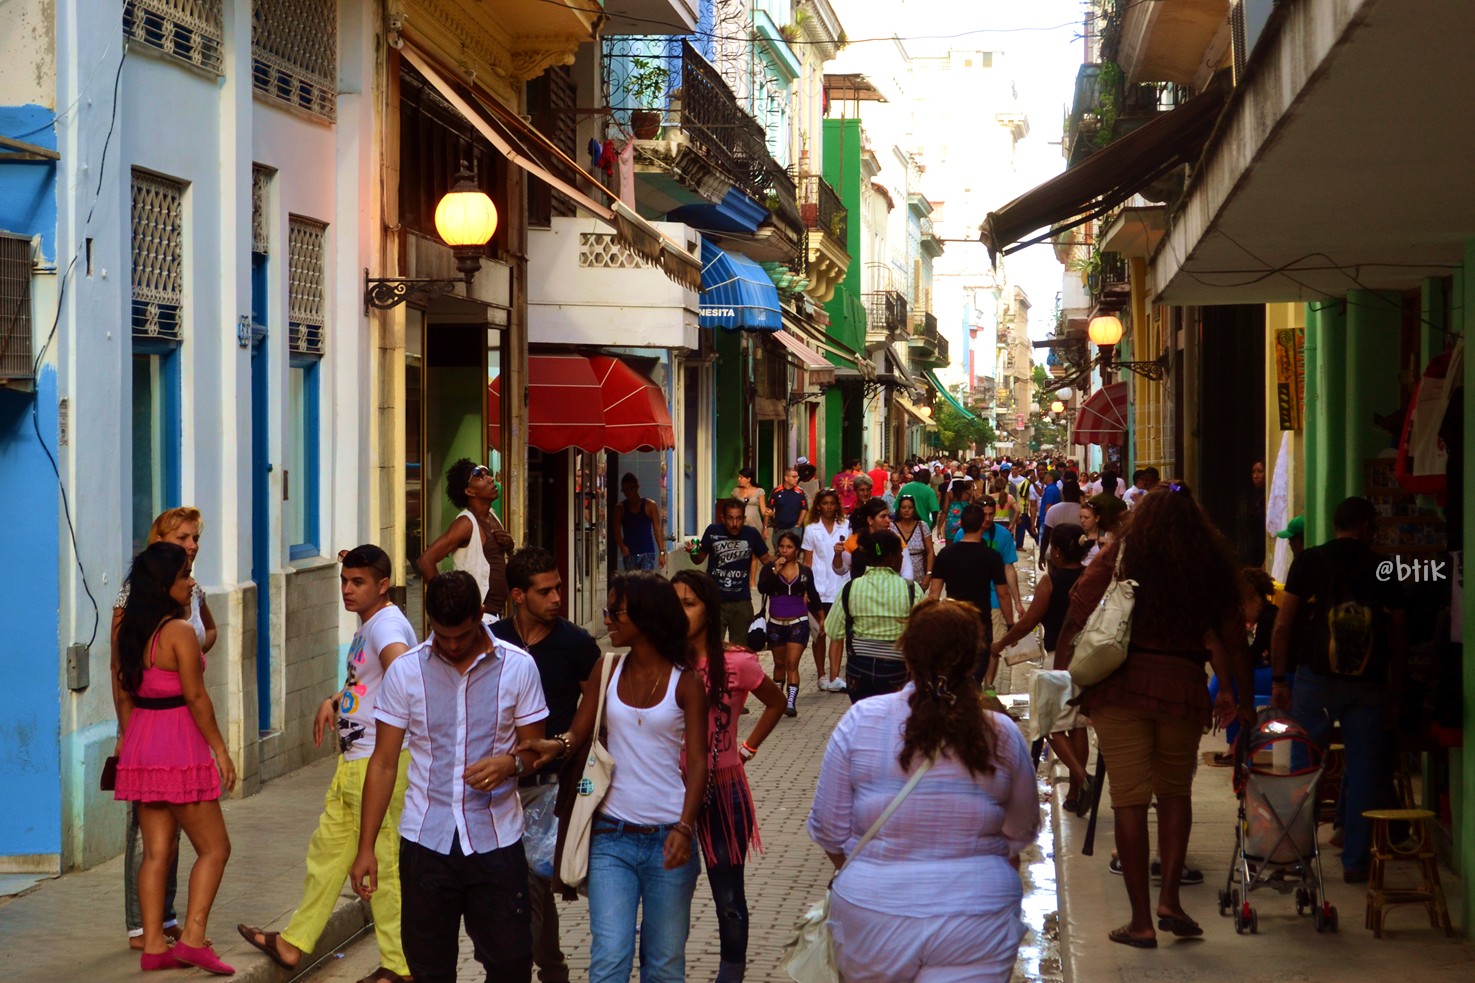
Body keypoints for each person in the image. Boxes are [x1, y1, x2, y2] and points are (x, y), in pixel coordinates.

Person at [1056, 488, 1253, 948]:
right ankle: (1170, 900)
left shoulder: (1124, 555)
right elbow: (1234, 637)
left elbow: (1079, 606)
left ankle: (1141, 921)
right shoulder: (1209, 565)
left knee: (1128, 800)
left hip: (1123, 688)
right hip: (1182, 689)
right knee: (1174, 793)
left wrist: (1067, 674)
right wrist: (1244, 698)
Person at [807, 599, 1039, 982]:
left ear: (907, 656)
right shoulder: (1002, 734)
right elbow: (1021, 832)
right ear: (973, 660)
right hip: (978, 917)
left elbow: (828, 830)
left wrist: (874, 872)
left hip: (872, 916)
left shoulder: (861, 720)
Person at [351, 570, 549, 983]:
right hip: (426, 843)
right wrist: (365, 847)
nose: (454, 645)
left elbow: (535, 750)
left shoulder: (518, 667)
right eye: (444, 636)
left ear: (480, 617)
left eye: (462, 635)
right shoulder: (405, 672)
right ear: (429, 622)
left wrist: (510, 764)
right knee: (428, 969)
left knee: (511, 963)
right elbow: (383, 762)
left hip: (497, 840)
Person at [519, 572, 710, 983]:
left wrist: (685, 827)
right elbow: (577, 734)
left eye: (615, 611)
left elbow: (698, 763)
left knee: (664, 964)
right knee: (609, 957)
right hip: (610, 836)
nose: (606, 619)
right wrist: (555, 745)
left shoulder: (687, 682)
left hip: (669, 837)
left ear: (645, 617)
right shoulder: (606, 669)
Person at [237, 546, 417, 980]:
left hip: (377, 765)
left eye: (358, 582)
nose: (348, 590)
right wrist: (336, 700)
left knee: (383, 867)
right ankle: (294, 943)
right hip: (354, 764)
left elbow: (402, 673)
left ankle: (399, 967)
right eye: (345, 581)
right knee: (328, 855)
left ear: (383, 585)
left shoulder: (386, 625)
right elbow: (369, 681)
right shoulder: (371, 623)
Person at [113, 542, 236, 974]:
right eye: (184, 575)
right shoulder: (179, 632)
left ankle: (152, 946)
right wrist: (220, 749)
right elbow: (197, 698)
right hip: (178, 744)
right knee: (215, 848)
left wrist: (129, 742)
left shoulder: (130, 632)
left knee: (156, 853)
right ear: (164, 584)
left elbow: (123, 695)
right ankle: (193, 939)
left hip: (142, 743)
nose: (190, 582)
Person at [1270, 496, 1407, 882]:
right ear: (1366, 527)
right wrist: (1395, 692)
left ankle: (1299, 855)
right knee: (1364, 773)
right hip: (1368, 685)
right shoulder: (1383, 567)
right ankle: (1356, 862)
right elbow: (1399, 635)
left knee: (1305, 768)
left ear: (1335, 525)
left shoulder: (1309, 561)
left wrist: (1279, 679)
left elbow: (1282, 626)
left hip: (1315, 680)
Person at [490, 548, 601, 983]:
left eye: (558, 588)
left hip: (552, 787)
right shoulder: (493, 640)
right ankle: (549, 966)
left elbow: (598, 710)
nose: (557, 598)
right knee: (516, 887)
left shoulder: (576, 643)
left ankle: (542, 968)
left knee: (531, 883)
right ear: (518, 595)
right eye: (545, 591)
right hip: (498, 786)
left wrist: (566, 744)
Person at [671, 571, 785, 983]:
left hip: (724, 789)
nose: (680, 613)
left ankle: (730, 975)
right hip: (669, 791)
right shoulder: (663, 663)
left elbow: (775, 702)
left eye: (689, 604)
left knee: (729, 897)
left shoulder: (738, 661)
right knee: (668, 895)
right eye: (674, 604)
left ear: (709, 610)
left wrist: (747, 748)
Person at [991, 524, 1092, 812]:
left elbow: (1028, 622)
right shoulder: (1091, 577)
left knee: (1049, 725)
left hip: (1058, 660)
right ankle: (1073, 794)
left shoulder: (1051, 582)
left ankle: (1084, 779)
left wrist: (1001, 643)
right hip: (1087, 660)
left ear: (1057, 551)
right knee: (1078, 725)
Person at [825, 530, 919, 704]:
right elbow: (924, 633)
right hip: (897, 669)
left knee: (864, 713)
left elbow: (833, 630)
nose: (902, 559)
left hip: (858, 670)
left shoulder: (850, 588)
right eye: (900, 554)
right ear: (891, 557)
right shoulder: (911, 589)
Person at [417, 458, 515, 620]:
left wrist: (509, 545)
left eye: (487, 474)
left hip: (494, 614)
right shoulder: (466, 523)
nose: (491, 479)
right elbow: (425, 561)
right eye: (481, 477)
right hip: (476, 616)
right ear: (470, 491)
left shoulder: (491, 516)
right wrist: (446, 601)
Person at [928, 505, 1013, 686]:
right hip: (980, 622)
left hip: (953, 621)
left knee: (953, 673)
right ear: (982, 524)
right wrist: (1010, 623)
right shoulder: (992, 557)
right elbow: (1003, 594)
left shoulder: (945, 554)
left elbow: (934, 593)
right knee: (975, 677)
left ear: (961, 524)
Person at [1207, 567, 1279, 766]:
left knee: (1232, 680)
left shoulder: (1269, 619)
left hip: (1282, 677)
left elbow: (1251, 656)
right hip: (1275, 673)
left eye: (1242, 606)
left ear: (1255, 600)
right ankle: (1231, 741)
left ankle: (1209, 713)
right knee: (1230, 679)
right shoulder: (1267, 616)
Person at [689, 499, 775, 645]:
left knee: (740, 649)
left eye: (738, 518)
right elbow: (698, 559)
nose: (734, 523)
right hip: (715, 600)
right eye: (730, 518)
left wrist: (784, 560)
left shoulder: (751, 534)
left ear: (744, 519)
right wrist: (693, 552)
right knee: (712, 646)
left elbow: (766, 559)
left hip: (741, 601)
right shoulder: (713, 531)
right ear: (723, 518)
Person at [756, 531, 824, 716]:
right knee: (779, 663)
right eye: (782, 546)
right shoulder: (769, 568)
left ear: (797, 550)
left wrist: (821, 618)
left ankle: (791, 703)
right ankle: (778, 701)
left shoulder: (805, 571)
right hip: (775, 623)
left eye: (789, 547)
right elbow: (762, 588)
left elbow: (814, 595)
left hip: (798, 622)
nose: (785, 550)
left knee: (792, 663)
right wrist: (774, 571)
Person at [801, 489, 851, 693]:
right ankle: (821, 675)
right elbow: (807, 561)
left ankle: (835, 677)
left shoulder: (846, 526)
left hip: (840, 584)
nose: (829, 507)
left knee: (838, 633)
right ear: (818, 506)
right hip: (818, 587)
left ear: (837, 505)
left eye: (832, 503)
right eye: (825, 503)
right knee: (819, 633)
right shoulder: (811, 529)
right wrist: (805, 589)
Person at [835, 498, 915, 581]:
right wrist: (837, 555)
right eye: (883, 516)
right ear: (870, 520)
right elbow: (840, 570)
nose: (888, 520)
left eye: (888, 516)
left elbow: (907, 571)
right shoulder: (854, 540)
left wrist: (905, 587)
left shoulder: (896, 540)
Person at [614, 473, 665, 572]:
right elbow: (616, 529)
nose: (628, 493)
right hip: (630, 552)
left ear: (637, 487)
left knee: (646, 580)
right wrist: (622, 546)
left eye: (630, 489)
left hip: (647, 552)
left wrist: (662, 552)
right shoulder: (620, 508)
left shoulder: (650, 505)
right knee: (631, 580)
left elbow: (657, 529)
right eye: (625, 491)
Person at [892, 495, 934, 587]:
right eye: (903, 507)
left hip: (919, 579)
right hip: (896, 579)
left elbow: (930, 552)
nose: (906, 510)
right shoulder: (891, 527)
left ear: (914, 509)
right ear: (899, 509)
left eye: (910, 507)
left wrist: (929, 574)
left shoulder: (922, 526)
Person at [765, 468, 809, 555]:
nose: (796, 479)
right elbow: (769, 509)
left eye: (797, 477)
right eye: (794, 477)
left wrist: (798, 524)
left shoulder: (800, 492)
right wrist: (765, 527)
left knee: (794, 554)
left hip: (794, 528)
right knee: (779, 553)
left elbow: (804, 508)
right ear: (786, 478)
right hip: (779, 528)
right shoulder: (776, 491)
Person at [1079, 493, 1127, 566]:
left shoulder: (1107, 536)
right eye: (1080, 517)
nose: (1082, 520)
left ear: (1097, 518)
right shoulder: (1079, 534)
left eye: (1086, 518)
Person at [1237, 460, 1268, 566]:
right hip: (1249, 549)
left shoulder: (1269, 497)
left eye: (1260, 471)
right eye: (1253, 472)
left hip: (1263, 545)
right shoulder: (1248, 497)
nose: (1256, 476)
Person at [731, 468, 767, 541]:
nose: (738, 479)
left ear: (748, 479)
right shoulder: (736, 491)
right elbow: (731, 507)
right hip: (739, 524)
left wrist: (765, 528)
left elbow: (764, 512)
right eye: (739, 477)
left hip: (754, 524)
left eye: (741, 477)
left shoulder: (759, 491)